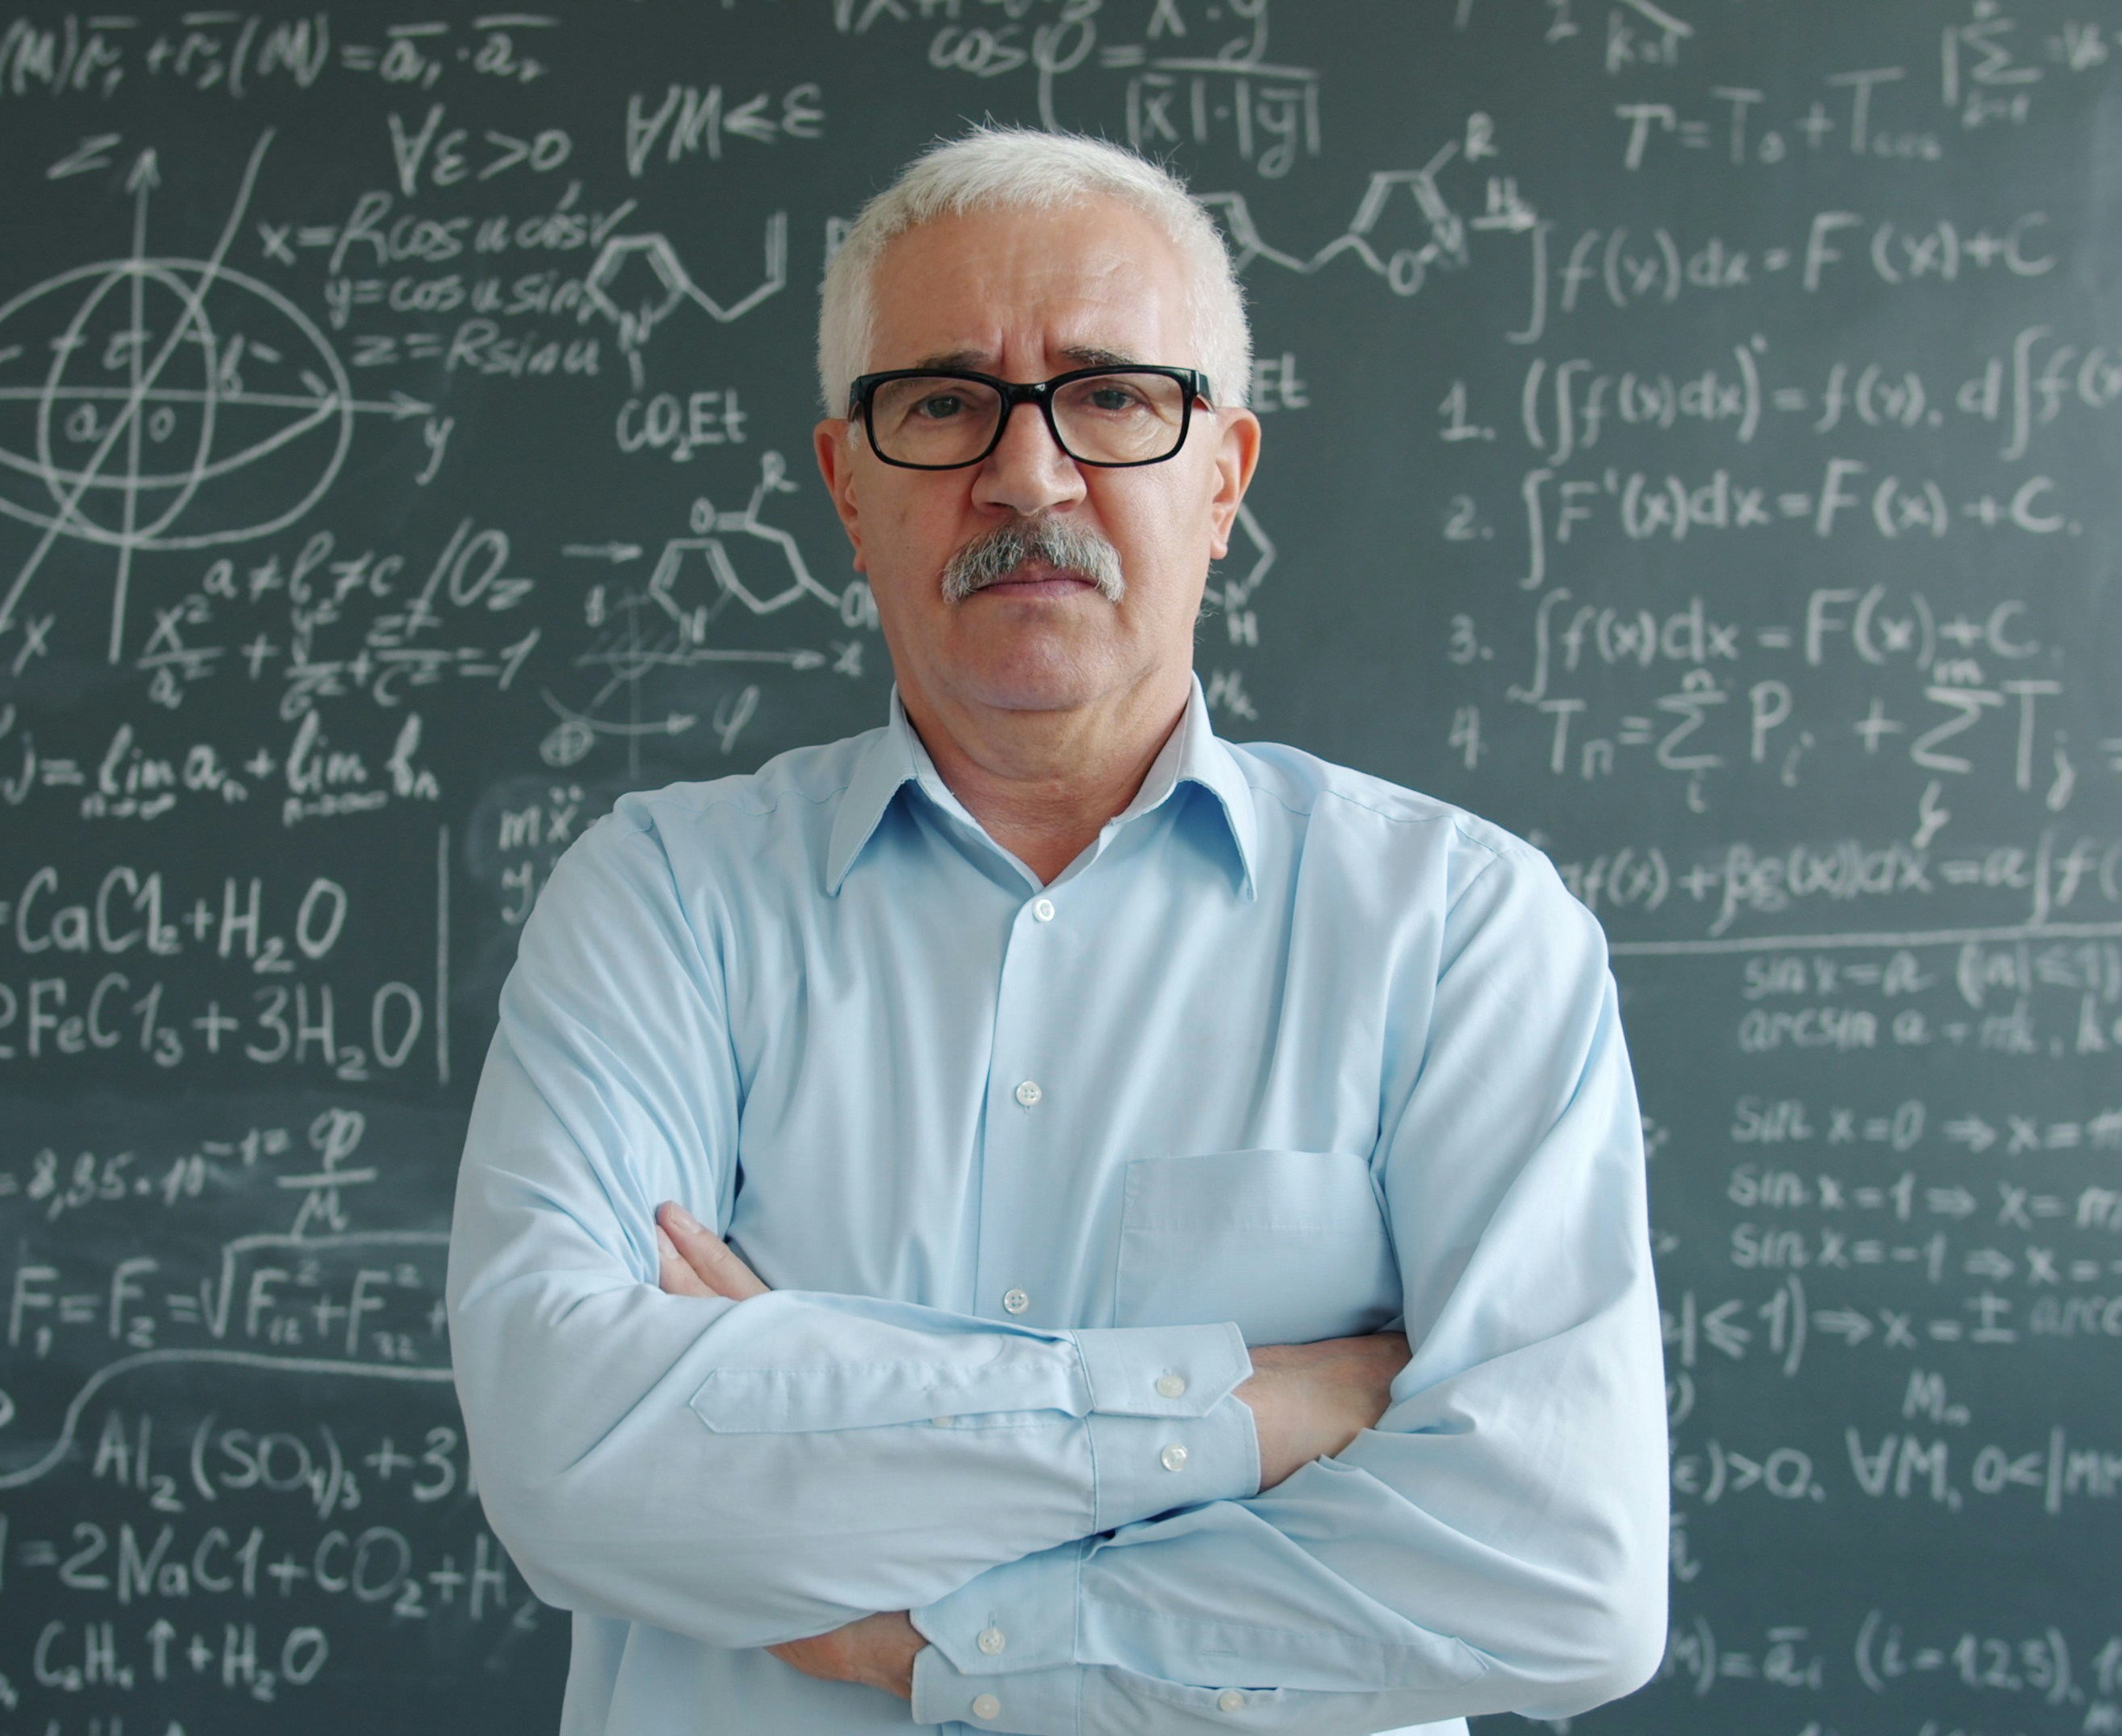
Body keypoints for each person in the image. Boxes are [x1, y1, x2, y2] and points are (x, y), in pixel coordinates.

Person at [446, 127, 1666, 1734]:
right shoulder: (663, 902)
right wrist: (1265, 1409)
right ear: (848, 485)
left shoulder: (1457, 931)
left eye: (1110, 396)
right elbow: (575, 1467)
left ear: (1221, 476)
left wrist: (940, 1633)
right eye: (944, 402)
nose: (1028, 476)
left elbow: (1562, 1575)